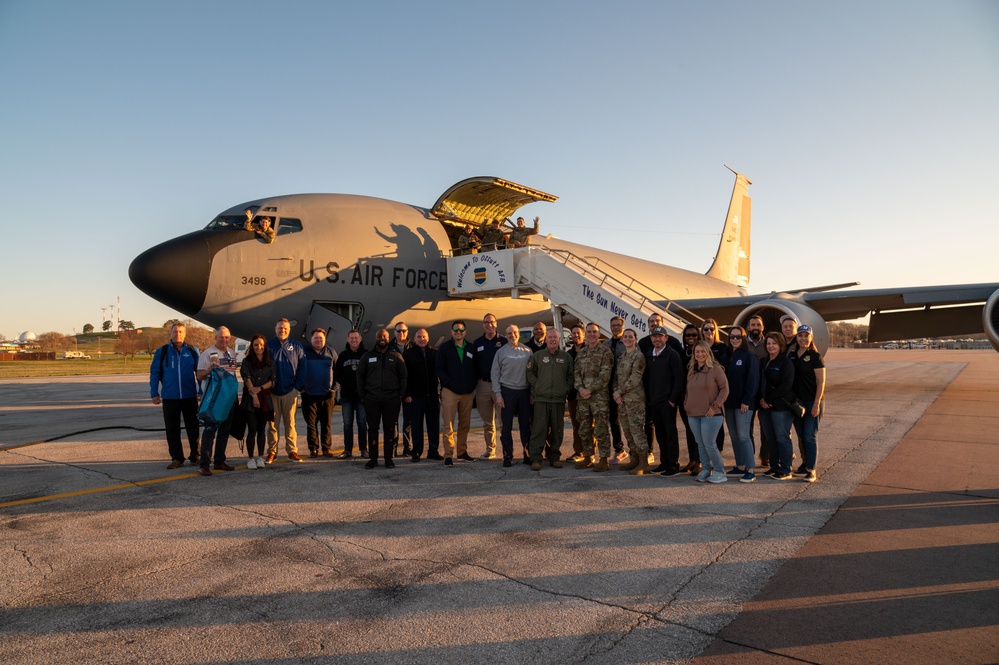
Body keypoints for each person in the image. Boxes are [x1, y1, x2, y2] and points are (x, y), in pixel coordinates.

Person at [150, 322, 201, 469]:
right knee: (172, 429)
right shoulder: (162, 352)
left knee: (193, 427)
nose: (177, 334)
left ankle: (195, 455)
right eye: (175, 332)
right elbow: (155, 373)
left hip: (189, 397)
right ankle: (177, 458)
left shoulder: (192, 351)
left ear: (184, 334)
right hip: (170, 398)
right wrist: (154, 393)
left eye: (180, 332)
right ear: (170, 334)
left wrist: (201, 390)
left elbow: (199, 372)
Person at [356, 328, 407, 469]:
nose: (381, 339)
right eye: (379, 337)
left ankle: (389, 459)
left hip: (392, 399)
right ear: (375, 338)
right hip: (372, 399)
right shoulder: (367, 356)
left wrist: (400, 394)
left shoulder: (396, 356)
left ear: (388, 337)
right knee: (372, 429)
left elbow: (403, 376)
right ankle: (373, 459)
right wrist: (363, 395)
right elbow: (360, 376)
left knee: (390, 429)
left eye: (384, 336)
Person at [527, 328, 574, 470]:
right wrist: (538, 386)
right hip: (541, 399)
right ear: (546, 339)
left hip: (558, 400)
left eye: (555, 337)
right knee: (539, 429)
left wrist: (566, 389)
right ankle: (535, 458)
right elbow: (530, 373)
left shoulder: (566, 357)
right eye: (550, 337)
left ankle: (554, 457)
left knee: (557, 430)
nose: (553, 340)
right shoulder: (537, 356)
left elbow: (571, 376)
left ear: (559, 340)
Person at [194, 326, 239, 476]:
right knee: (210, 431)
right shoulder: (208, 353)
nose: (224, 340)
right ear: (216, 338)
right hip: (214, 400)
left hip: (229, 399)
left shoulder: (231, 353)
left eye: (227, 337)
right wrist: (210, 370)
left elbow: (232, 376)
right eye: (221, 337)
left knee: (224, 431)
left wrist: (235, 396)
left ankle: (220, 460)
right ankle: (204, 464)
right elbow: (200, 375)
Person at [684, 341, 730, 484]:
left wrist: (715, 406)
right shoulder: (692, 369)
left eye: (703, 351)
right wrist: (687, 405)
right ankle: (705, 468)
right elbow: (688, 391)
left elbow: (725, 389)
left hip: (711, 414)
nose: (700, 354)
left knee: (709, 443)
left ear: (708, 353)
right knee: (700, 443)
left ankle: (720, 471)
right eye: (697, 352)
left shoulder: (715, 369)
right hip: (693, 414)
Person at [643, 326, 685, 476]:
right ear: (651, 339)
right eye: (654, 336)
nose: (657, 339)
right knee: (660, 434)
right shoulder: (649, 355)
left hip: (667, 403)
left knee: (670, 433)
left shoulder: (672, 355)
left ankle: (673, 464)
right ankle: (664, 462)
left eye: (660, 336)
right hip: (653, 403)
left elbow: (679, 379)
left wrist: (673, 400)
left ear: (666, 338)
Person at [573, 323, 615, 471]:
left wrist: (589, 389)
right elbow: (576, 373)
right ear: (586, 334)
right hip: (583, 398)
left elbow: (605, 376)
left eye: (594, 332)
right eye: (589, 332)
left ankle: (604, 459)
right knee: (584, 428)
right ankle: (588, 456)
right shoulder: (582, 353)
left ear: (599, 334)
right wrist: (581, 388)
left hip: (599, 398)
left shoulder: (605, 352)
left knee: (601, 428)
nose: (591, 334)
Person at [436, 320, 478, 466]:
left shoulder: (471, 348)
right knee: (448, 424)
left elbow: (475, 368)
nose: (458, 332)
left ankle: (462, 452)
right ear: (451, 331)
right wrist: (448, 383)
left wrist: (472, 385)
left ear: (465, 332)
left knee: (465, 424)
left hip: (467, 392)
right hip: (450, 391)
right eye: (455, 330)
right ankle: (448, 454)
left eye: (461, 330)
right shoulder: (445, 348)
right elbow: (439, 368)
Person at [265, 318, 306, 464]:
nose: (282, 330)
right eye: (280, 328)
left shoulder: (296, 346)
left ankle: (292, 451)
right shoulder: (268, 345)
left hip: (290, 390)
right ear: (275, 329)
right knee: (272, 424)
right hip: (272, 391)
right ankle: (272, 452)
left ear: (289, 330)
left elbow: (303, 367)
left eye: (285, 328)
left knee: (290, 423)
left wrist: (297, 387)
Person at [492, 324, 533, 467]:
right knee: (506, 426)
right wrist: (498, 394)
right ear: (506, 334)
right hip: (507, 391)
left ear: (518, 334)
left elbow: (532, 374)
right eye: (509, 333)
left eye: (514, 332)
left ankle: (527, 454)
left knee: (525, 426)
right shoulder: (501, 352)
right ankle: (507, 456)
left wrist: (532, 393)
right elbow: (495, 374)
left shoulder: (527, 351)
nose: (512, 335)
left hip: (524, 392)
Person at [789, 325, 826, 482]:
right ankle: (805, 465)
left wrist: (816, 403)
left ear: (811, 338)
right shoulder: (791, 355)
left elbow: (821, 381)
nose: (803, 339)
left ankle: (812, 469)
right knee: (801, 436)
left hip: (812, 401)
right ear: (796, 338)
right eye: (800, 336)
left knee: (810, 436)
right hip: (797, 403)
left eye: (806, 336)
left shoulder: (815, 356)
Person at [723, 325, 760, 483]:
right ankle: (740, 465)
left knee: (744, 436)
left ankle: (750, 469)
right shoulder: (728, 356)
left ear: (744, 339)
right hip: (729, 404)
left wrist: (746, 400)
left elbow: (752, 381)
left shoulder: (748, 356)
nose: (735, 339)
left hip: (743, 404)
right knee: (734, 435)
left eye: (738, 337)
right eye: (732, 337)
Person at [758, 332, 796, 480]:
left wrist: (767, 399)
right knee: (770, 438)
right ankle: (774, 467)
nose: (771, 346)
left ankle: (786, 469)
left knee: (782, 437)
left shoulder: (785, 363)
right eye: (768, 343)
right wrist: (761, 400)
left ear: (780, 345)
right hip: (764, 407)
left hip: (780, 407)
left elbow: (786, 385)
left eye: (774, 343)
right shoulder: (763, 361)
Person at [614, 329, 650, 475]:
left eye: (631, 337)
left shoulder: (638, 356)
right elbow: (616, 378)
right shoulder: (622, 357)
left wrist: (619, 392)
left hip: (634, 400)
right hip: (622, 401)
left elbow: (635, 379)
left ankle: (644, 463)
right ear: (622, 340)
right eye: (625, 337)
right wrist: (616, 394)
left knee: (637, 432)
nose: (628, 339)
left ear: (635, 339)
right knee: (628, 432)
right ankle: (634, 459)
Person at [402, 328, 439, 462]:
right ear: (415, 339)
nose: (421, 339)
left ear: (428, 338)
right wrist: (406, 394)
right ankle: (416, 452)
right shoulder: (408, 354)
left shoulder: (435, 353)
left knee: (433, 425)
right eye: (419, 337)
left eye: (424, 337)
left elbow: (440, 372)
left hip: (432, 396)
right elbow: (404, 376)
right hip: (415, 397)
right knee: (416, 426)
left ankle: (433, 450)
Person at [474, 313, 507, 459]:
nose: (489, 325)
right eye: (486, 322)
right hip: (483, 385)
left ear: (496, 324)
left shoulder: (504, 342)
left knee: (503, 420)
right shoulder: (477, 343)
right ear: (483, 325)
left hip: (499, 385)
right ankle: (490, 449)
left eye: (492, 322)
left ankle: (507, 449)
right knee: (487, 421)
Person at [302, 329, 338, 458]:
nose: (318, 340)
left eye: (321, 338)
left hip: (327, 395)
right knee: (311, 424)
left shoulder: (331, 352)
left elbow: (338, 371)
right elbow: (297, 369)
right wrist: (301, 387)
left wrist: (334, 387)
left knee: (326, 423)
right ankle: (313, 448)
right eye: (316, 338)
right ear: (311, 339)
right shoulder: (304, 352)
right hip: (308, 395)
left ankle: (326, 448)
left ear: (325, 339)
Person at [240, 334, 273, 470]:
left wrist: (259, 389)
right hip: (250, 399)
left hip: (265, 399)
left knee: (261, 429)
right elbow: (246, 377)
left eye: (261, 345)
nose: (259, 347)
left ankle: (260, 457)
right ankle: (250, 458)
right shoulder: (246, 361)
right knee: (252, 429)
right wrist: (254, 396)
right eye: (256, 345)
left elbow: (272, 381)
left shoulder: (270, 362)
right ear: (252, 347)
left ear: (264, 346)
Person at [334, 330, 368, 459]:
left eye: (356, 338)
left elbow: (370, 373)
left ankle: (364, 449)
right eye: (351, 338)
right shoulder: (342, 356)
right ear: (348, 339)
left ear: (360, 339)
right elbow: (337, 373)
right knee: (347, 423)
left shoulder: (366, 354)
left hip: (362, 396)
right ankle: (348, 449)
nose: (354, 340)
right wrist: (346, 383)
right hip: (347, 395)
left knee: (362, 422)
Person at [745, 315, 770, 469]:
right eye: (753, 325)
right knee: (747, 427)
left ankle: (765, 456)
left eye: (758, 325)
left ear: (762, 327)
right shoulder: (742, 343)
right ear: (748, 327)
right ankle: (749, 457)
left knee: (766, 426)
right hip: (749, 390)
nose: (755, 327)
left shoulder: (768, 343)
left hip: (764, 389)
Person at [677, 323, 702, 474]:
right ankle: (692, 459)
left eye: (694, 335)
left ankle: (700, 461)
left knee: (698, 431)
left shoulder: (701, 352)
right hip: (684, 398)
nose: (691, 338)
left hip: (698, 398)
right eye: (688, 335)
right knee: (689, 429)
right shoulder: (682, 353)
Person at [603, 316, 627, 462]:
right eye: (613, 325)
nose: (616, 328)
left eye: (618, 325)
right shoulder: (605, 343)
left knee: (628, 421)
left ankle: (635, 451)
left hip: (625, 388)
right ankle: (619, 449)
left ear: (622, 327)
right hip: (609, 388)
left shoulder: (629, 342)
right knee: (613, 420)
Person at [390, 322, 412, 456]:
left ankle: (407, 448)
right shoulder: (389, 348)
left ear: (407, 332)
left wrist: (409, 392)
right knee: (393, 421)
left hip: (408, 390)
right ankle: (393, 448)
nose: (401, 333)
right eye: (398, 331)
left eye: (403, 331)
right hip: (393, 390)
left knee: (408, 421)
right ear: (394, 332)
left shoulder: (413, 347)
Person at [565, 324, 586, 461]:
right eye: (573, 333)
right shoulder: (568, 354)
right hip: (573, 395)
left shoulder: (589, 351)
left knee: (588, 424)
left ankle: (589, 452)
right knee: (576, 425)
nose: (576, 335)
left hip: (587, 395)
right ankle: (579, 451)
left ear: (583, 335)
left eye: (578, 333)